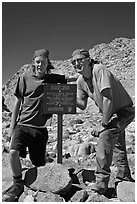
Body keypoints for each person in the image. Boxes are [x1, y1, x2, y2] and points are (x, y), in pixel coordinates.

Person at [2, 49, 76, 201]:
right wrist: (11, 127)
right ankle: (17, 183)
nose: (40, 64)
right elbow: (17, 101)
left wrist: (90, 73)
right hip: (23, 125)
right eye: (37, 61)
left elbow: (71, 78)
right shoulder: (24, 78)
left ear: (48, 63)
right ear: (33, 62)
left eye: (43, 61)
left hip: (40, 130)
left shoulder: (52, 78)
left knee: (39, 164)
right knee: (13, 152)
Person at [71, 48, 135, 194]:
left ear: (88, 60)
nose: (76, 64)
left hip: (124, 111)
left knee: (105, 135)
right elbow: (81, 104)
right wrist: (66, 94)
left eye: (80, 60)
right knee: (117, 143)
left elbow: (107, 98)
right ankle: (124, 177)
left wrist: (103, 125)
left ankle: (101, 182)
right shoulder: (81, 80)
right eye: (73, 62)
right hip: (111, 113)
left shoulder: (99, 70)